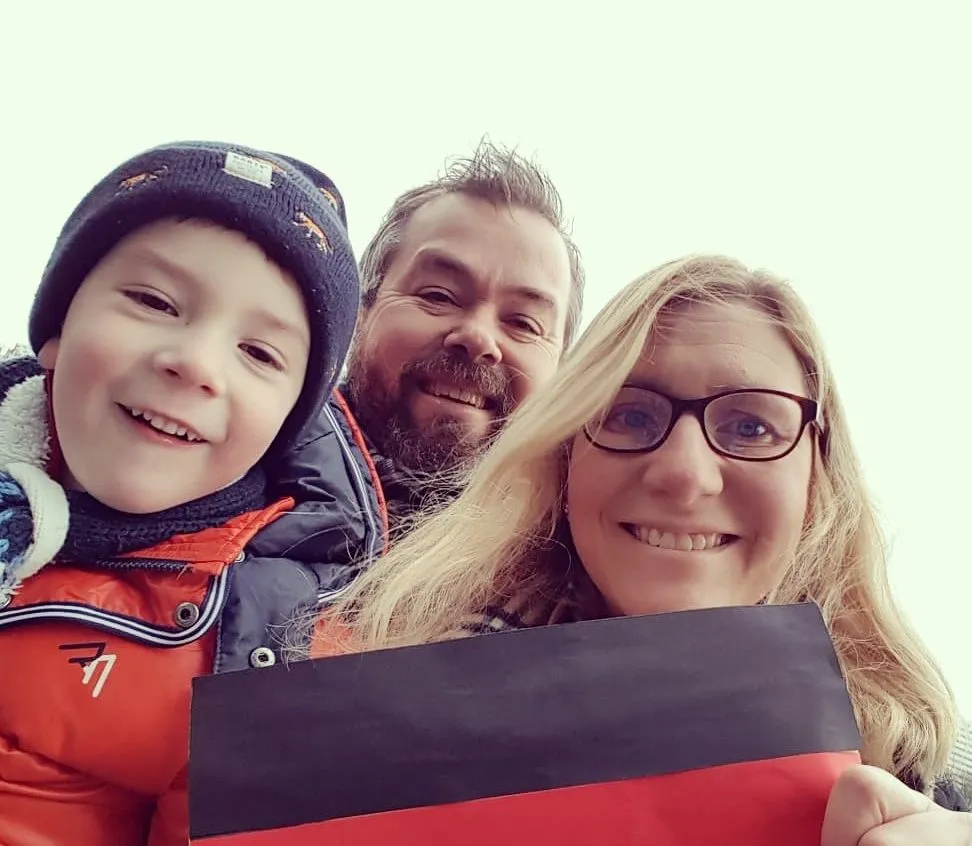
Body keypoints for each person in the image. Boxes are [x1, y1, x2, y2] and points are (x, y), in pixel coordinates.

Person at [325, 254, 971, 841]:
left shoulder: (927, 774)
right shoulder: (380, 728)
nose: (685, 473)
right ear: (564, 460)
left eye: (750, 426)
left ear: (817, 477)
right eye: (629, 415)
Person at [0, 141, 360, 845]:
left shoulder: (266, 651)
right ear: (57, 330)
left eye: (260, 353)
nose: (195, 363)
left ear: (287, 424)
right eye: (153, 301)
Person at [268, 141, 585, 577]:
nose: (477, 337)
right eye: (437, 295)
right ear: (361, 310)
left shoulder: (593, 566)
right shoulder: (217, 473)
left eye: (524, 323)